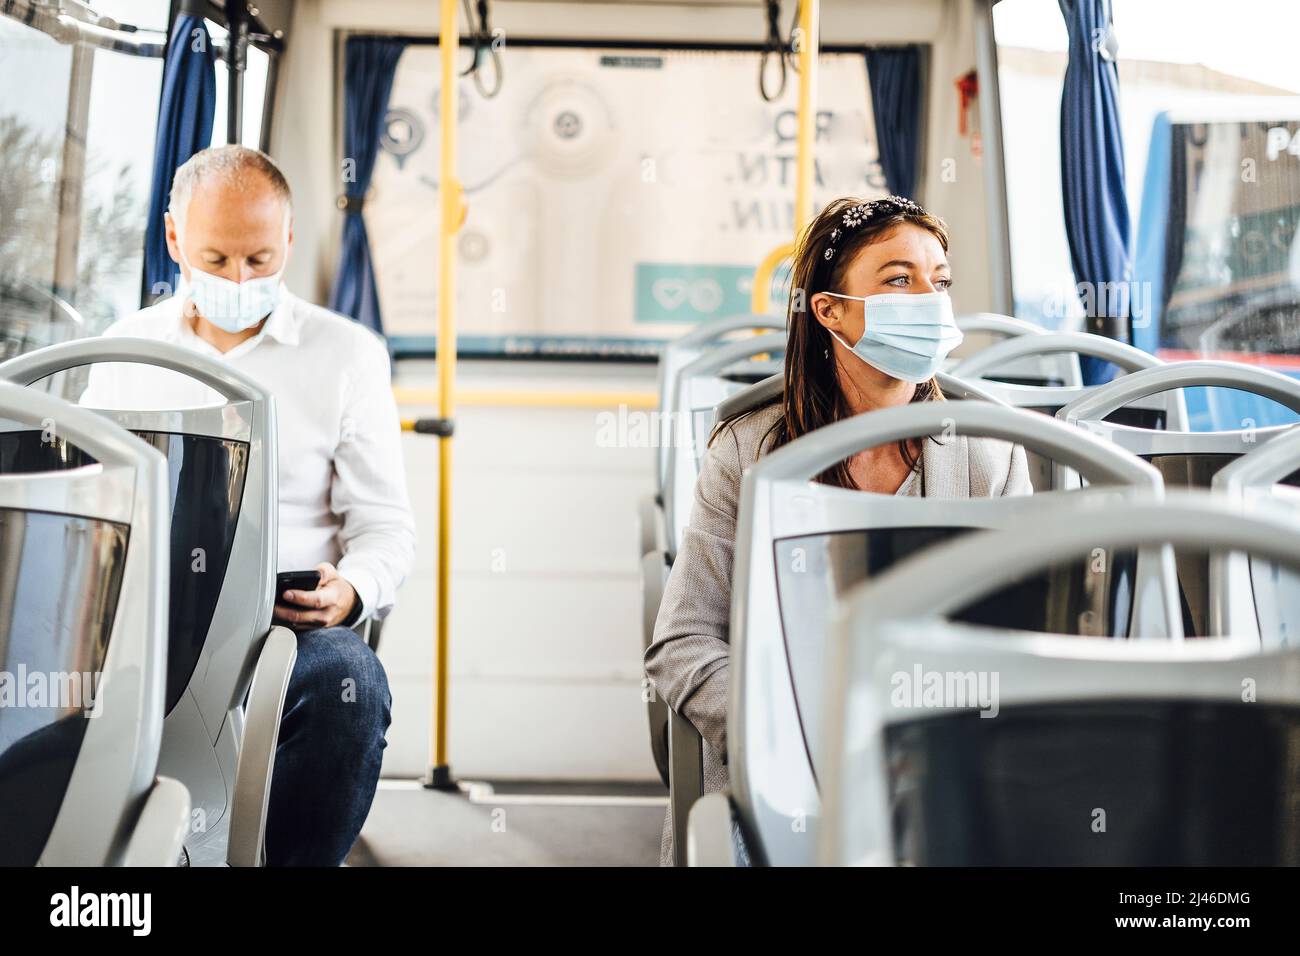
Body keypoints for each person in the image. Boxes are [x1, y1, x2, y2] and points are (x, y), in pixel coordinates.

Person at [643, 195, 1033, 865]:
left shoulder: (988, 454)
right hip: (782, 773)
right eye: (898, 279)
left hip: (942, 768)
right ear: (829, 310)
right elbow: (683, 641)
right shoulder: (748, 451)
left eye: (938, 281)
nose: (930, 300)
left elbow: (1024, 643)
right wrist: (787, 734)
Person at [81, 145, 415, 866]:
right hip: (142, 618)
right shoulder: (121, 350)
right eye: (219, 257)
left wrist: (352, 589)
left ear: (290, 240)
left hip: (284, 625)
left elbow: (386, 528)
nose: (240, 277)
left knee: (348, 689)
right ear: (174, 240)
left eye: (260, 259)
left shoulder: (346, 356)